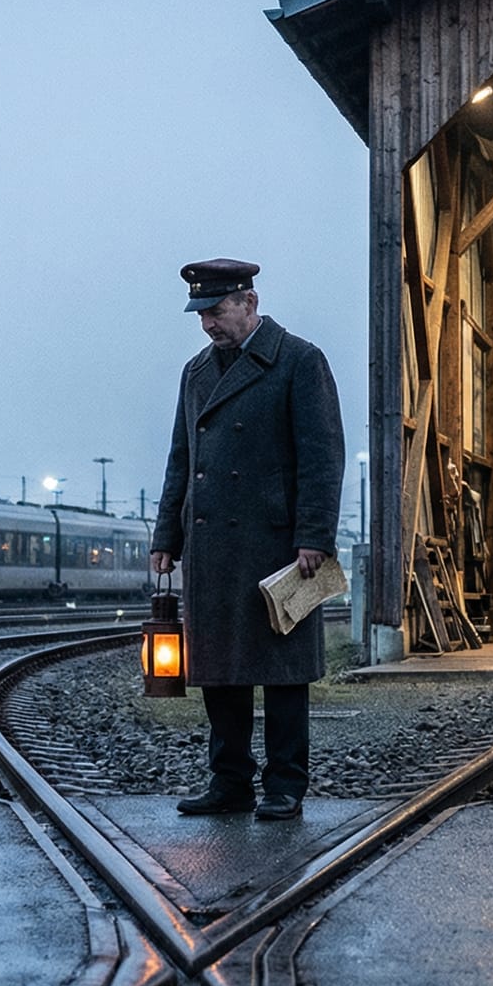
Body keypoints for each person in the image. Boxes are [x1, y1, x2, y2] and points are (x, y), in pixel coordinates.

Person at [149, 258, 344, 821]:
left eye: (215, 311)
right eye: (201, 314)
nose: (208, 324)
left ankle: (285, 784)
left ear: (249, 302)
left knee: (282, 674)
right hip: (212, 547)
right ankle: (229, 781)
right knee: (219, 670)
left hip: (279, 548)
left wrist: (313, 535)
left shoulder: (299, 361)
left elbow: (322, 456)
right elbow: (181, 459)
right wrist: (168, 534)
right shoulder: (196, 372)